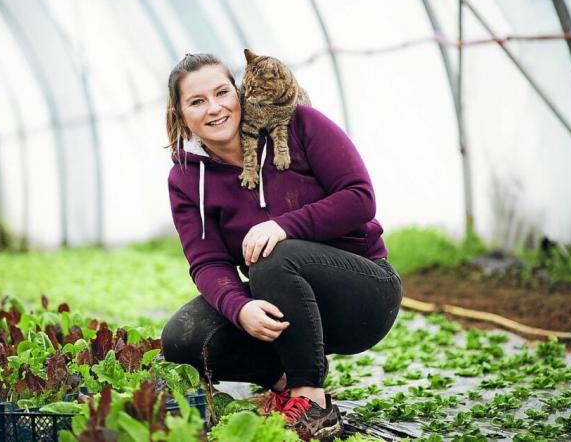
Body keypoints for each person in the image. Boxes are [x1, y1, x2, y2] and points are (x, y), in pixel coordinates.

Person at [160, 53, 403, 441]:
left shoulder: (299, 124)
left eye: (223, 92)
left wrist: (283, 225)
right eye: (197, 101)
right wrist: (240, 307)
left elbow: (360, 197)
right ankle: (288, 384)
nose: (215, 108)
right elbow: (207, 261)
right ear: (179, 113)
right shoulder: (187, 178)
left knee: (272, 255)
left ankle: (314, 403)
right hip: (287, 306)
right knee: (183, 336)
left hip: (363, 295)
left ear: (239, 93)